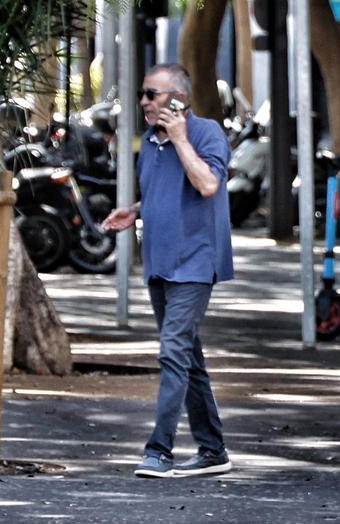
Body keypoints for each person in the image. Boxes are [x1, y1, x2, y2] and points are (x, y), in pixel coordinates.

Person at [101, 63, 233, 479]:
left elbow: (208, 185)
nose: (143, 101)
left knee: (172, 352)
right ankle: (213, 450)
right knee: (188, 356)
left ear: (178, 99)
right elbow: (165, 193)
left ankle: (159, 450)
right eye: (142, 93)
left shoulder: (205, 133)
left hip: (195, 261)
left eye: (152, 94)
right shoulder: (152, 145)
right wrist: (135, 211)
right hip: (159, 262)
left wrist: (180, 139)